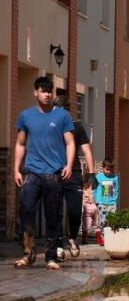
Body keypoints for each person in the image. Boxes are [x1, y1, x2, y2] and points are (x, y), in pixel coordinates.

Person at [13, 77, 76, 270]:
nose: (47, 94)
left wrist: (69, 165)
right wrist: (16, 169)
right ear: (35, 92)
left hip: (54, 173)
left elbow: (70, 143)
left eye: (50, 91)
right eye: (43, 90)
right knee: (27, 210)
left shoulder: (62, 116)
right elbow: (20, 144)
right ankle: (28, 254)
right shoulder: (26, 116)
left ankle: (51, 257)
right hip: (31, 172)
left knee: (53, 215)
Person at [53, 95, 95, 255]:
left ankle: (72, 238)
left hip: (74, 174)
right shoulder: (51, 126)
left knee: (75, 210)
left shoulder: (77, 127)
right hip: (54, 172)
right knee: (55, 209)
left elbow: (86, 150)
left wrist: (91, 174)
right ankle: (57, 243)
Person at [93, 159, 120, 246]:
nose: (108, 172)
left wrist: (115, 199)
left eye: (110, 170)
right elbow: (94, 189)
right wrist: (96, 200)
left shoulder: (114, 178)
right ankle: (103, 237)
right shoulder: (98, 177)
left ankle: (110, 238)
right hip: (101, 203)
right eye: (107, 169)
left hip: (112, 203)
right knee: (103, 221)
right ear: (103, 168)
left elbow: (117, 189)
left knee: (112, 220)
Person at [82, 174, 99, 244]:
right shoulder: (88, 187)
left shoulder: (86, 187)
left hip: (90, 207)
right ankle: (98, 240)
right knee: (94, 224)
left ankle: (85, 239)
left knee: (89, 224)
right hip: (90, 207)